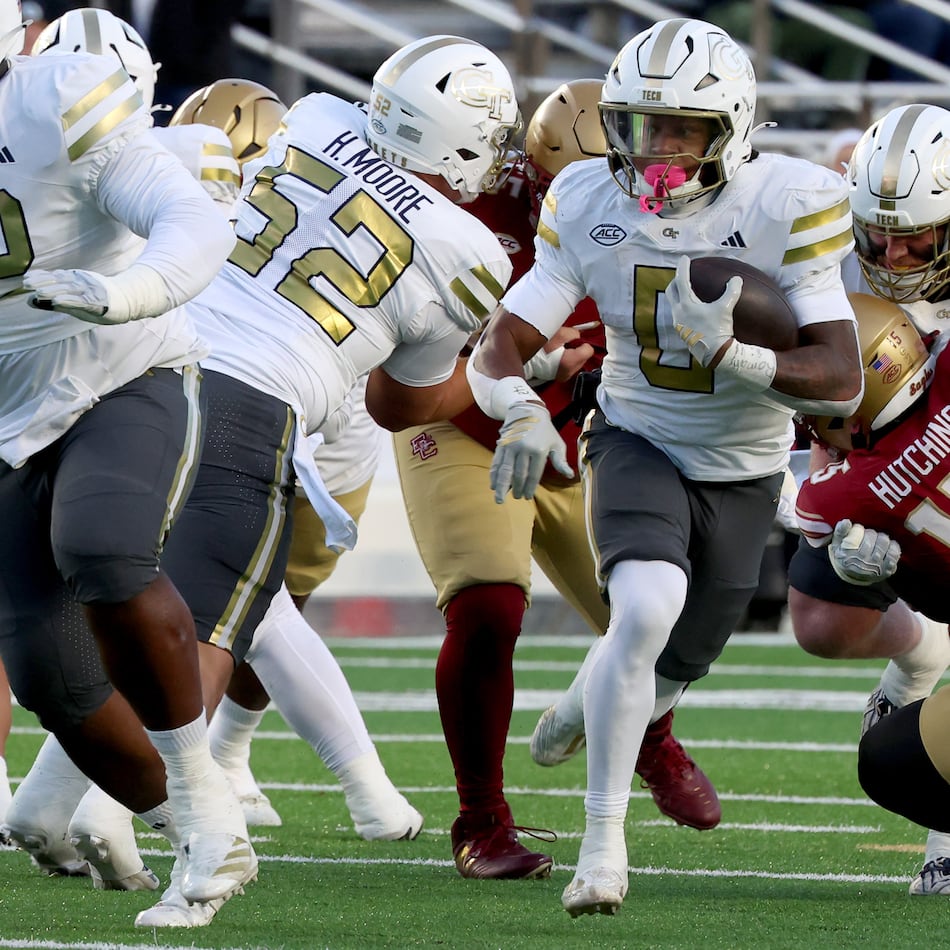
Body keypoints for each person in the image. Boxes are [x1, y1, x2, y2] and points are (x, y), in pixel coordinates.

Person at [6, 31, 520, 926]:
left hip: (144, 368)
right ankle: (146, 817)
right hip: (252, 406)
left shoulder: (315, 117)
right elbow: (401, 403)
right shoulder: (472, 253)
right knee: (201, 632)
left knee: (110, 604)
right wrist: (492, 388)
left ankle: (48, 807)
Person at [466, 17, 863, 916]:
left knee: (674, 659)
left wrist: (738, 360)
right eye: (644, 126)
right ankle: (602, 848)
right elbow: (502, 346)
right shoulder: (585, 198)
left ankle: (583, 697)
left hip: (748, 463)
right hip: (637, 433)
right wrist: (524, 409)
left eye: (683, 129)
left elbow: (836, 377)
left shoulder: (788, 201)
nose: (659, 152)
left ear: (733, 128)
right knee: (643, 609)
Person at [394, 77, 722, 882]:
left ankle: (650, 736)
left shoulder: (667, 203)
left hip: (582, 427)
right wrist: (530, 370)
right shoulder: (469, 208)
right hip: (467, 425)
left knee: (650, 610)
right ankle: (480, 822)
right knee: (488, 607)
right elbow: (414, 360)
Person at [0, 0, 255, 925]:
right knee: (48, 675)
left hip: (120, 366)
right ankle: (206, 831)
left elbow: (188, 217)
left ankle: (199, 801)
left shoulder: (60, 99)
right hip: (6, 410)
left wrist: (121, 292)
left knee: (103, 548)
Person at [168, 76, 424, 840]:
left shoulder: (240, 210)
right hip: (298, 399)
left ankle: (222, 764)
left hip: (291, 405)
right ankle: (359, 788)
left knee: (263, 597)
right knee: (247, 597)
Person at [788, 102, 950, 896]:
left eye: (918, 233)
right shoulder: (827, 259)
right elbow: (817, 418)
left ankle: (944, 839)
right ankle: (920, 659)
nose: (894, 252)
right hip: (884, 470)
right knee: (822, 622)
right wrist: (841, 508)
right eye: (878, 230)